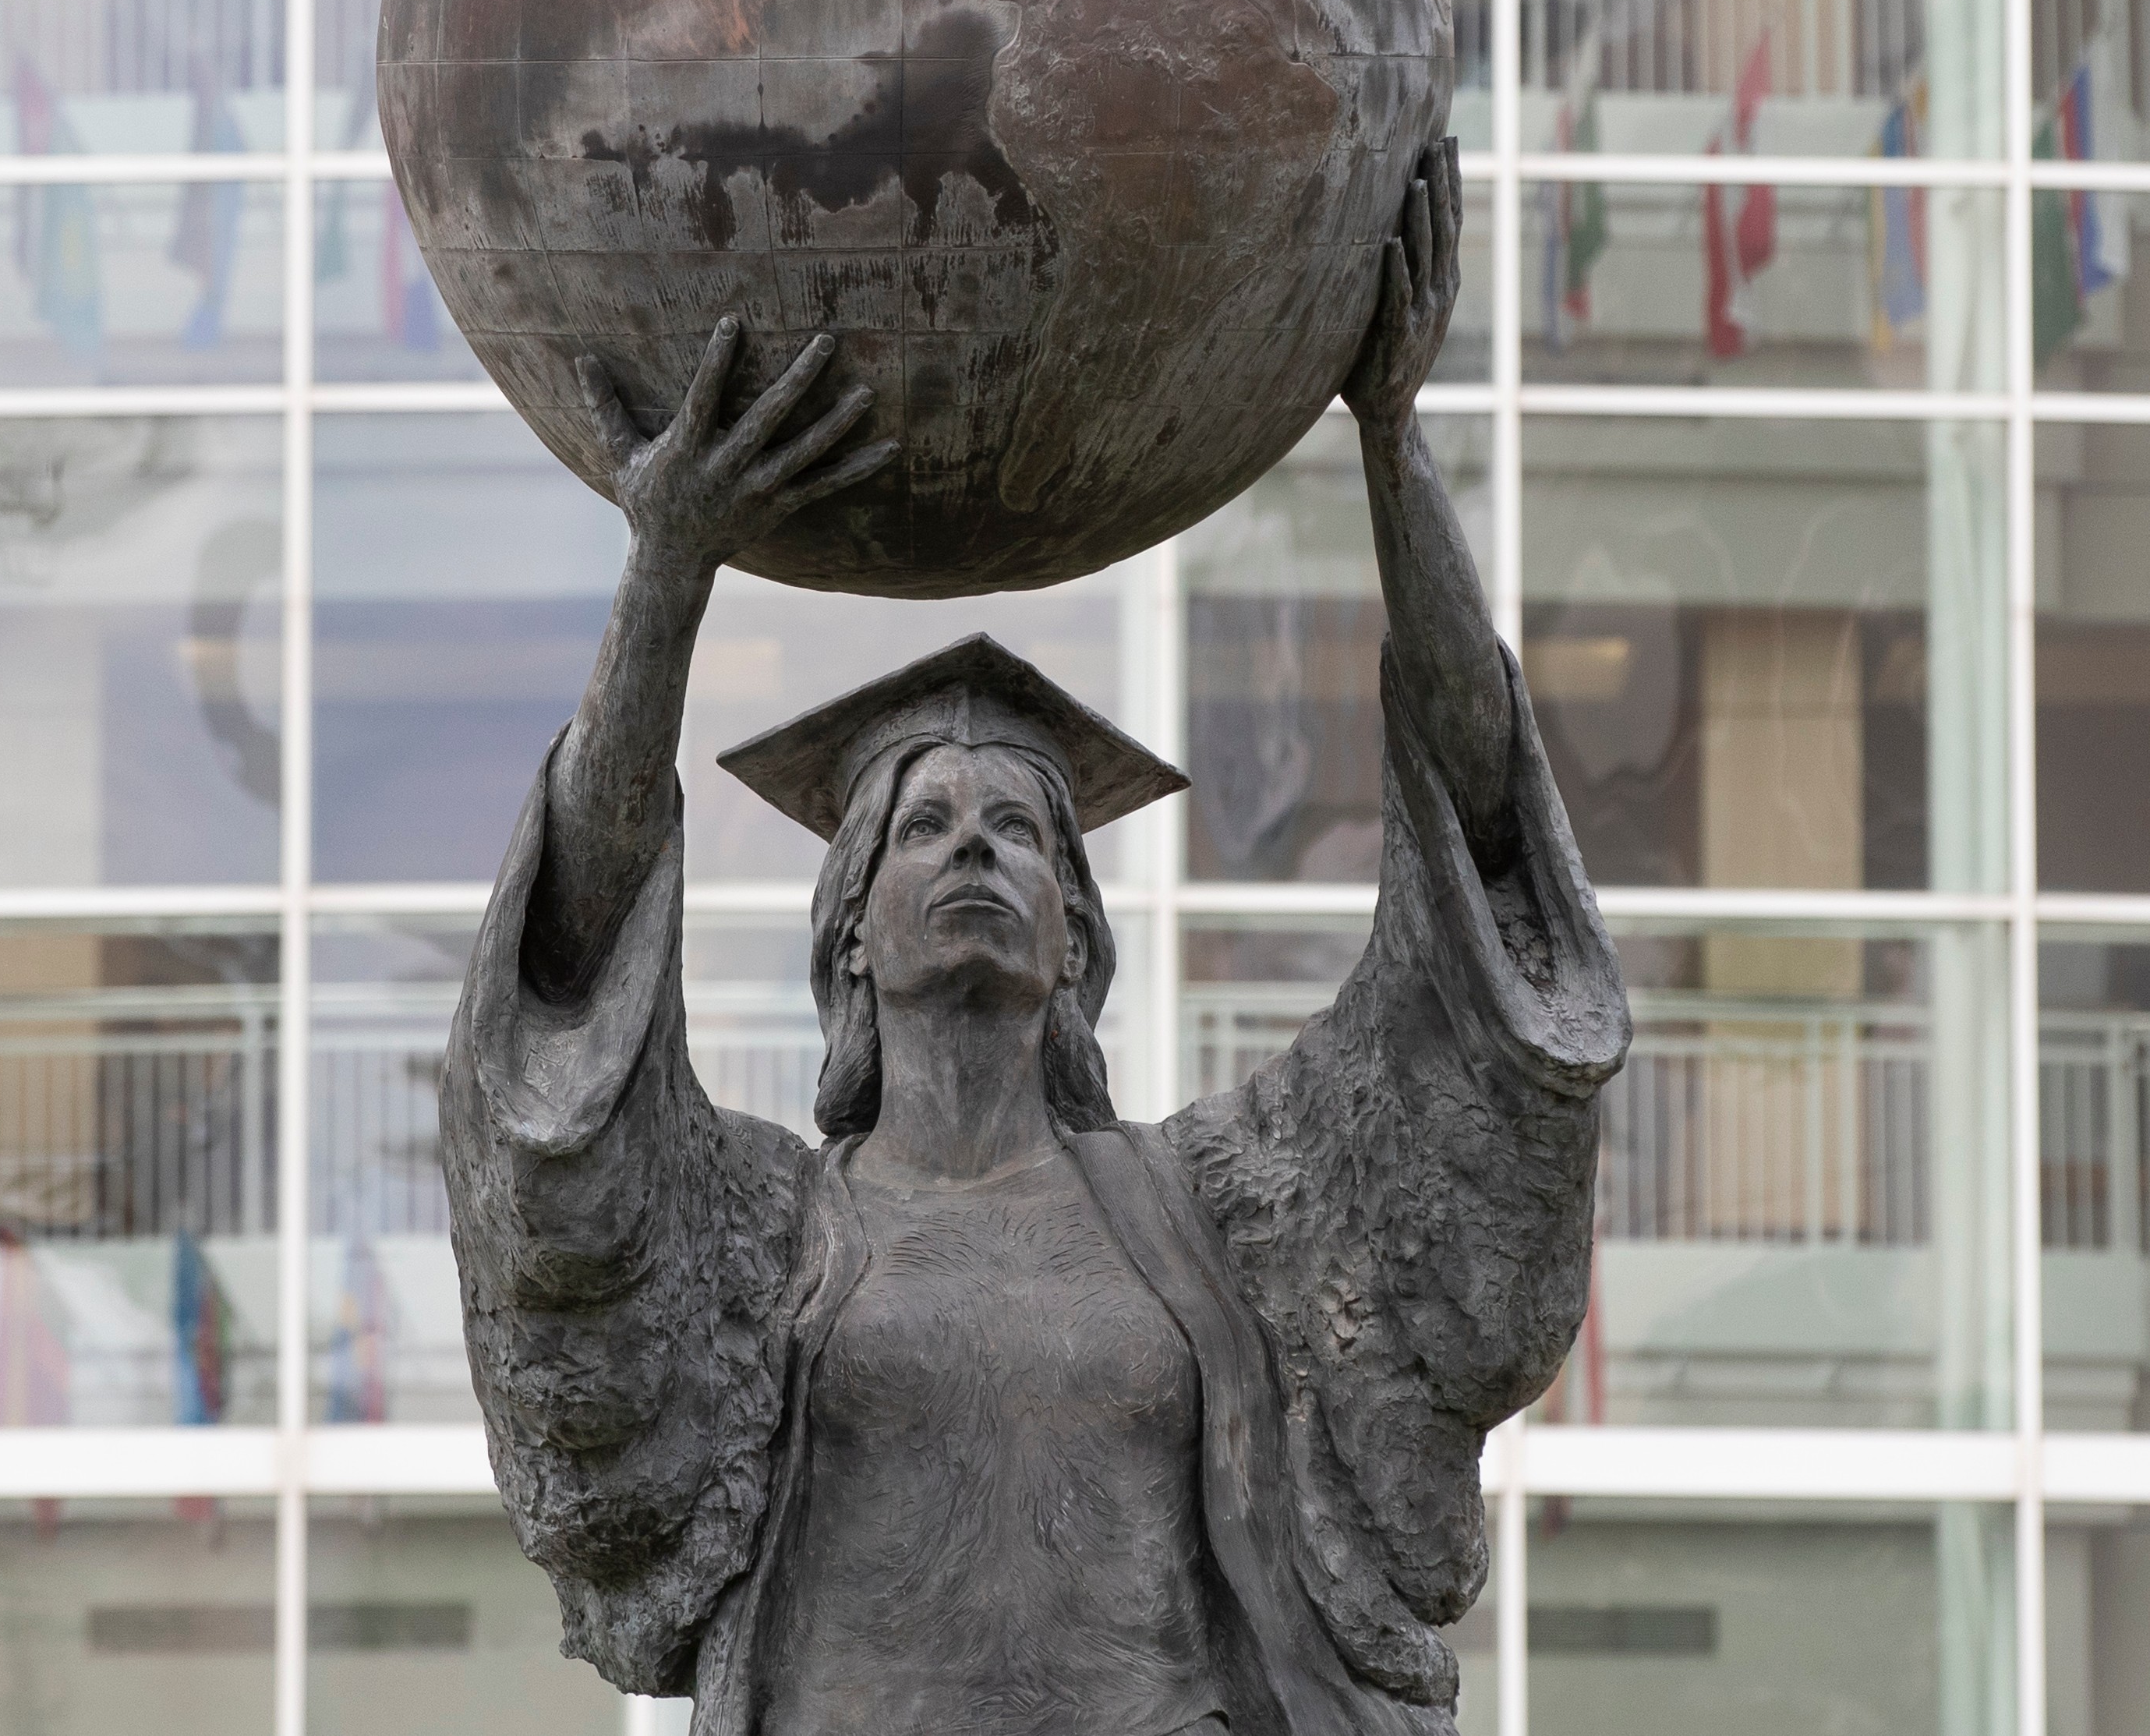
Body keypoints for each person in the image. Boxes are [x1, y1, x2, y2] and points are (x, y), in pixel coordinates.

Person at [440, 140, 1628, 1736]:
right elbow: (570, 1017)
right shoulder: (762, 1241)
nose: (973, 846)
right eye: (921, 826)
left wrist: (1392, 445)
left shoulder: (1223, 1214)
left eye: (1017, 828)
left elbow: (1474, 905)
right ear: (848, 933)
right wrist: (665, 573)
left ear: (1077, 935)